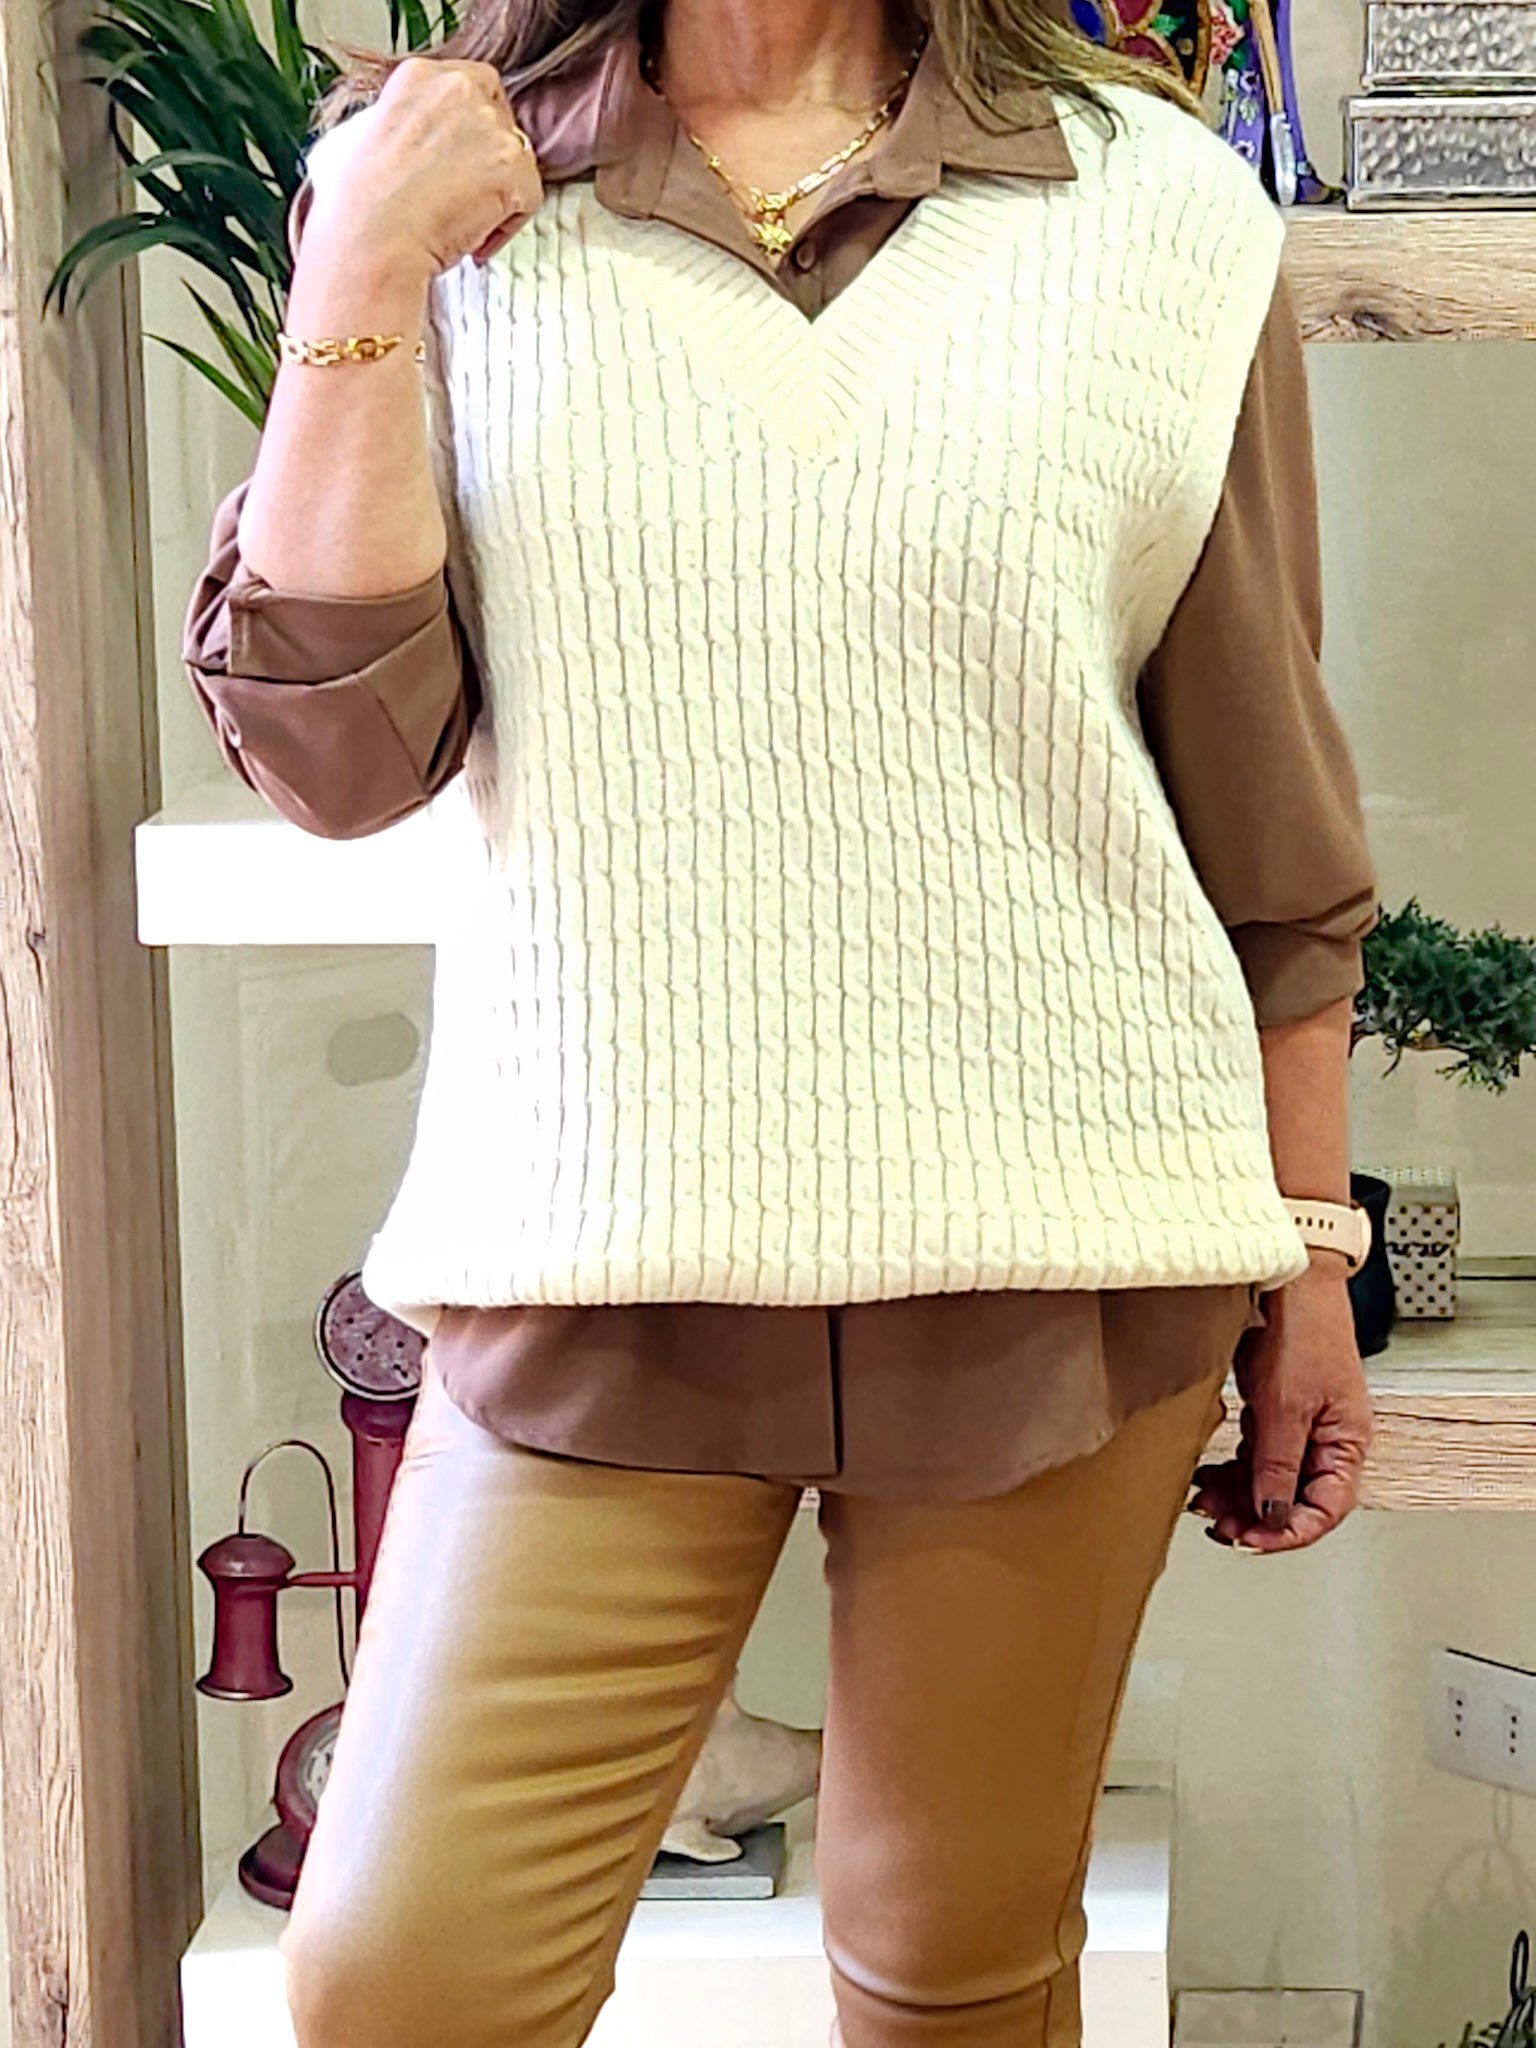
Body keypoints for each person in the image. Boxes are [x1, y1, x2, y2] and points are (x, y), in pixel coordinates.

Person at [182, 0, 1379, 2040]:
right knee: (399, 1982)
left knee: (951, 1971)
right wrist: (361, 266)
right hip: (597, 1237)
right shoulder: (439, 184)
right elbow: (338, 758)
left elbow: (1259, 811)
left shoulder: (1159, 208)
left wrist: (1315, 1254)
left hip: (1061, 1245)